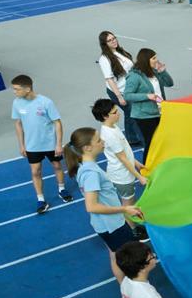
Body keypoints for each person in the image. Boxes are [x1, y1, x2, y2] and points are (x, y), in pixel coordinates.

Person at [63, 127, 144, 279]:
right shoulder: (91, 173)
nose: (103, 142)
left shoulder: (84, 167)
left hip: (105, 224)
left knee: (115, 255)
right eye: (99, 140)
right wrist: (125, 209)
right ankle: (133, 289)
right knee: (130, 259)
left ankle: (125, 290)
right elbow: (91, 206)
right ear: (87, 148)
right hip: (113, 226)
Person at [11, 75, 73, 214]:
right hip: (32, 146)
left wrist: (58, 144)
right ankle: (40, 200)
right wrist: (21, 145)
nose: (14, 92)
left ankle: (62, 189)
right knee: (35, 172)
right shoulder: (16, 103)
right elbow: (18, 124)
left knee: (57, 166)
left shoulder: (46, 102)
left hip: (50, 144)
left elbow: (57, 122)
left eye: (16, 89)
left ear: (27, 89)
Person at [90, 99, 149, 241]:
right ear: (105, 116)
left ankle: (132, 225)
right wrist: (138, 176)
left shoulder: (113, 127)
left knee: (130, 201)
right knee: (128, 204)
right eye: (114, 112)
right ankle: (133, 229)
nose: (118, 114)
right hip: (122, 176)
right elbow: (122, 158)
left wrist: (137, 163)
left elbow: (126, 152)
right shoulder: (109, 135)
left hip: (124, 173)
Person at [123, 48, 174, 164]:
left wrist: (162, 71)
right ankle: (147, 168)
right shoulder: (135, 76)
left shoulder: (154, 72)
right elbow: (127, 95)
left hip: (159, 111)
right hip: (144, 115)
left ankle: (161, 164)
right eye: (154, 58)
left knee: (162, 140)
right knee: (151, 143)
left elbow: (170, 83)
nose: (157, 60)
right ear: (146, 60)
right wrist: (147, 96)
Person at [98, 31, 144, 146]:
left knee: (130, 114)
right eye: (110, 40)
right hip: (118, 91)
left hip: (129, 89)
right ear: (104, 44)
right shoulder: (104, 59)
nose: (114, 41)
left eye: (114, 38)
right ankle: (143, 141)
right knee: (134, 114)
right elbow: (109, 79)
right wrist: (119, 97)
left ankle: (131, 138)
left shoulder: (120, 51)